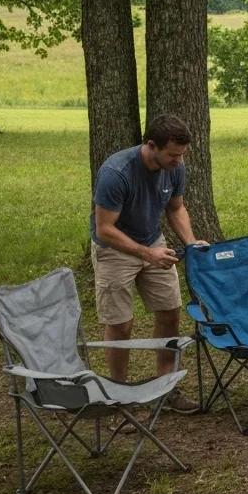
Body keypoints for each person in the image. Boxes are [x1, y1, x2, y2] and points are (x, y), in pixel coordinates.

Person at [90, 113, 206, 413]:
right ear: (151, 145)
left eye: (182, 155)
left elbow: (176, 208)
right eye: (172, 155)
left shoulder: (175, 168)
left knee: (169, 311)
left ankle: (165, 387)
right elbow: (105, 228)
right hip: (114, 248)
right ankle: (118, 393)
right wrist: (145, 254)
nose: (178, 161)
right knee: (121, 323)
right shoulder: (117, 173)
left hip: (153, 241)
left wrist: (190, 243)